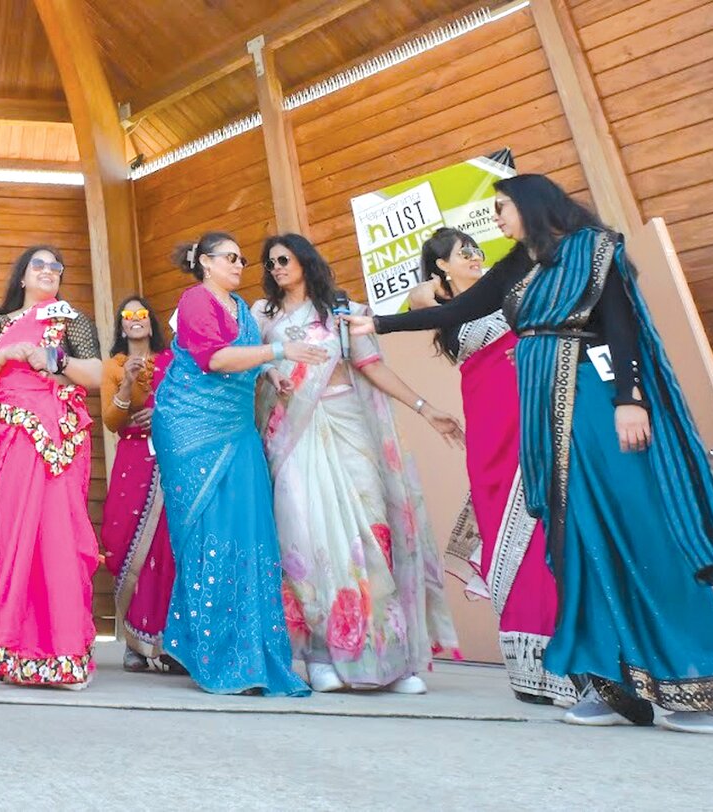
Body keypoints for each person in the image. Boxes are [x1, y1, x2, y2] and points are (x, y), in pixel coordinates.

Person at [350, 173, 713, 733]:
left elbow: (621, 327)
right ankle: (610, 682)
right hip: (545, 423)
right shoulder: (517, 264)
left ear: (531, 204)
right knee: (576, 540)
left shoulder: (595, 250)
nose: (496, 220)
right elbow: (459, 311)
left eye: (501, 208)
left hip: (597, 404)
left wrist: (630, 399)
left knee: (636, 527)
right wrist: (378, 322)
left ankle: (699, 687)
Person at [255, 233, 461, 694]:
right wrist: (272, 373)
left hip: (349, 426)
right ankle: (320, 655)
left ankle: (389, 656)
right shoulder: (263, 315)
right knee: (304, 541)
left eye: (283, 260)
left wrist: (426, 408)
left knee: (369, 532)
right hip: (293, 434)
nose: (276, 269)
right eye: (269, 264)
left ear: (306, 261)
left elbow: (372, 368)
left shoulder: (344, 311)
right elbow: (254, 365)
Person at [410, 228, 574, 705]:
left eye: (477, 250)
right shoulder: (447, 311)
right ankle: (529, 669)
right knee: (509, 536)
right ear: (442, 265)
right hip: (491, 429)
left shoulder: (509, 291)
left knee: (548, 533)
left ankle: (567, 659)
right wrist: (440, 286)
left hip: (533, 418)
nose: (476, 257)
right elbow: (417, 295)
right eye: (464, 253)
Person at [154, 232, 313, 696]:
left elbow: (241, 358)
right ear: (204, 263)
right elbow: (216, 359)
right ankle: (213, 653)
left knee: (250, 531)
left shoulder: (241, 308)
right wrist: (279, 352)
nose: (240, 264)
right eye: (230, 257)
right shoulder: (196, 299)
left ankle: (251, 654)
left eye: (242, 258)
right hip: (192, 428)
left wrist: (267, 372)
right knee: (211, 534)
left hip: (237, 427)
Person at [0, 246, 102, 688]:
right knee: (14, 536)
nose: (47, 272)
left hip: (60, 437)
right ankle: (12, 652)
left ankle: (63, 655)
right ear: (22, 278)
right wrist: (9, 355)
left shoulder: (73, 321)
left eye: (55, 267)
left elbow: (97, 374)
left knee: (60, 536)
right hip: (14, 438)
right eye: (38, 266)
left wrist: (56, 360)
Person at [98, 294, 180, 673]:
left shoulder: (171, 361)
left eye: (142, 313)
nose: (135, 319)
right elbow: (112, 421)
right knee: (123, 542)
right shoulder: (113, 365)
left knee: (163, 548)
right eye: (127, 314)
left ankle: (163, 640)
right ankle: (132, 641)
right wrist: (128, 384)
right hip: (131, 458)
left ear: (150, 321)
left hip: (166, 459)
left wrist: (160, 413)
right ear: (121, 324)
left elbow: (182, 404)